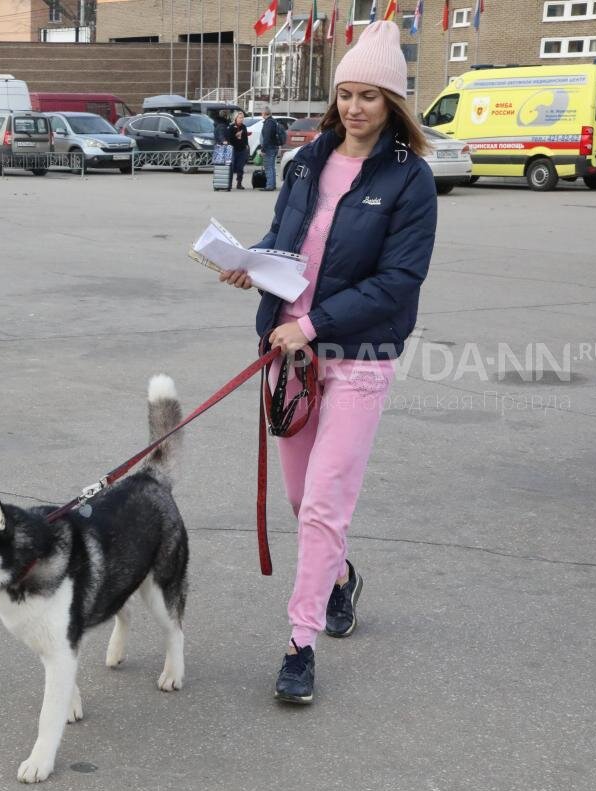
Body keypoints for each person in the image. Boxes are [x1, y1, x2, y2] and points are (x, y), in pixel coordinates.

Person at [217, 21, 438, 704]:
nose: (355, 107)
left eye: (370, 96)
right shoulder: (308, 160)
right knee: (297, 499)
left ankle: (299, 643)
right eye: (346, 93)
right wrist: (250, 264)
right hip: (289, 354)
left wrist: (312, 324)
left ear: (393, 102)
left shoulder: (411, 181)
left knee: (321, 505)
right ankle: (339, 578)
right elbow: (290, 240)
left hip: (357, 358)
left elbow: (398, 283)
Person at [258, 107, 284, 191]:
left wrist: (263, 150)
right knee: (272, 167)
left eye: (262, 112)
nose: (261, 114)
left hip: (269, 148)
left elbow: (267, 138)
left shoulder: (268, 123)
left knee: (268, 167)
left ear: (265, 113)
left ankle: (269, 186)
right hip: (274, 147)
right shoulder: (273, 121)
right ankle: (272, 185)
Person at [226, 111, 250, 190]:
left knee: (240, 167)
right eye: (240, 117)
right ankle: (229, 184)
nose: (241, 119)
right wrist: (236, 136)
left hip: (242, 149)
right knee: (231, 167)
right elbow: (229, 139)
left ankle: (239, 183)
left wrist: (246, 145)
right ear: (236, 118)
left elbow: (245, 138)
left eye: (242, 118)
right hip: (233, 149)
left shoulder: (244, 127)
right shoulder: (231, 127)